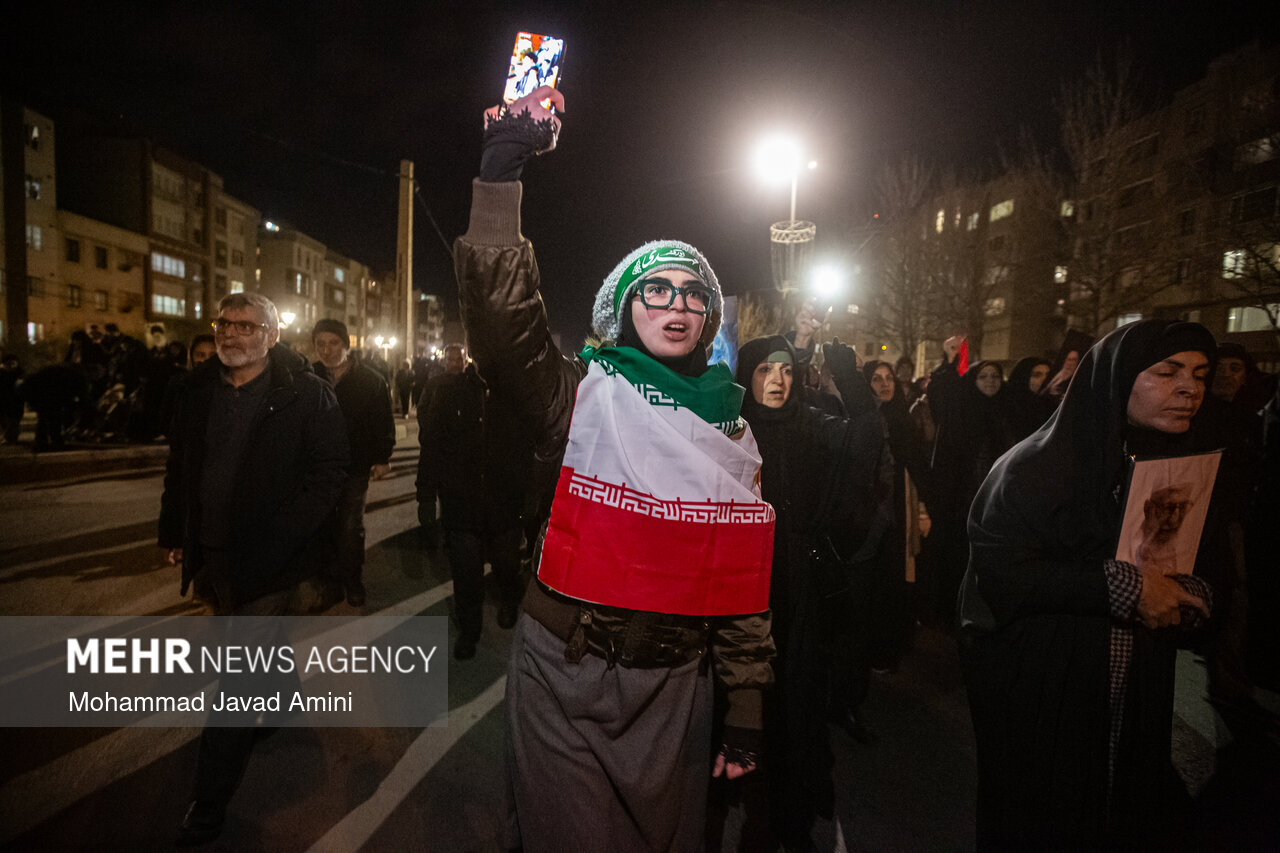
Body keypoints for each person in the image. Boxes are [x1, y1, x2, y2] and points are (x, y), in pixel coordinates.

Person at [457, 86, 776, 852]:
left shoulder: (731, 430)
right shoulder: (579, 395)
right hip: (563, 671)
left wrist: (745, 706)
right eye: (656, 289)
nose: (676, 303)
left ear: (708, 319)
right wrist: (501, 174)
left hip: (674, 686)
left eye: (694, 294)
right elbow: (504, 330)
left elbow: (737, 580)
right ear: (625, 308)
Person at [959, 319, 1219, 849]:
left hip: (1134, 688)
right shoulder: (1033, 468)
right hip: (1049, 692)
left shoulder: (1176, 464)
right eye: (1167, 372)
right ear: (1118, 378)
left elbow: (1190, 558)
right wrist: (1127, 588)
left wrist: (1188, 594)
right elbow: (1005, 573)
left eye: (1199, 374)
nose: (1189, 388)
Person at [158, 292, 348, 845]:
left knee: (237, 675)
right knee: (250, 642)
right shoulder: (196, 390)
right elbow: (180, 466)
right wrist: (173, 532)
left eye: (247, 326)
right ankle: (284, 705)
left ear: (272, 335)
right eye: (225, 323)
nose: (232, 334)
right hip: (212, 554)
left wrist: (284, 537)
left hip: (269, 559)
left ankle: (208, 799)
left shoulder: (304, 394)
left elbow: (329, 473)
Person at [734, 334, 881, 849]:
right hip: (743, 582)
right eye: (765, 370)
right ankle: (750, 805)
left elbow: (865, 437)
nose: (777, 380)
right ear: (747, 375)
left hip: (799, 583)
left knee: (797, 699)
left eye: (786, 369)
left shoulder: (811, 424)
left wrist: (849, 374)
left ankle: (792, 813)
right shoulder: (729, 430)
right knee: (747, 699)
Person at [416, 347, 531, 659]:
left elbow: (529, 450)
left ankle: (508, 601)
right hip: (461, 504)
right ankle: (469, 629)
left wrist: (530, 498)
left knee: (506, 566)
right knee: (466, 574)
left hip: (504, 505)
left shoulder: (514, 396)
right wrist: (425, 494)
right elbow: (432, 445)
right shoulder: (448, 392)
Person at [921, 339, 1015, 627]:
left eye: (995, 376)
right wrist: (952, 362)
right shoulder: (964, 410)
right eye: (983, 376)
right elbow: (941, 395)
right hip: (965, 498)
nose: (990, 381)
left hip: (999, 500)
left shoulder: (1007, 408)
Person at [312, 318, 395, 607]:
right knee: (321, 526)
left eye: (333, 343)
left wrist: (382, 457)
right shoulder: (309, 377)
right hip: (317, 468)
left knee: (349, 527)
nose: (327, 350)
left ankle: (352, 579)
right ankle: (328, 582)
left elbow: (383, 422)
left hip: (354, 466)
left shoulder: (370, 380)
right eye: (321, 344)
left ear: (346, 345)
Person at [1005, 356, 1056, 441]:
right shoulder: (1010, 409)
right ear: (1023, 378)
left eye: (1048, 375)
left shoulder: (1055, 405)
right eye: (1037, 375)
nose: (1045, 379)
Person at [0, 354, 24, 444]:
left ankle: (11, 438)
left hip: (15, 402)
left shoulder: (19, 374)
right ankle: (10, 437)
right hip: (4, 402)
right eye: (8, 364)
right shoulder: (2, 374)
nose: (11, 366)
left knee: (13, 421)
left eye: (12, 364)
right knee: (6, 421)